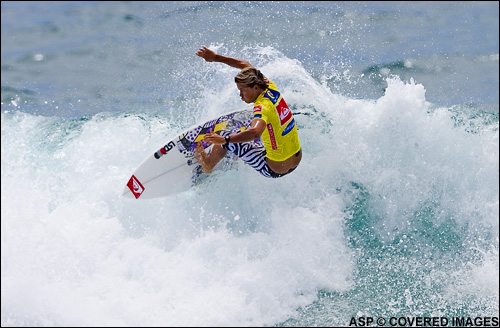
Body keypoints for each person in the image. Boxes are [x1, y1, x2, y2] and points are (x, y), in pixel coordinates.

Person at [194, 46, 301, 178]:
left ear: (255, 87)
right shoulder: (268, 85)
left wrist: (224, 140)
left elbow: (255, 133)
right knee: (252, 126)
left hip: (273, 168)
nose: (240, 95)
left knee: (225, 133)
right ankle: (240, 149)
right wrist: (216, 57)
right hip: (295, 161)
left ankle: (209, 163)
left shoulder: (262, 107)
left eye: (242, 90)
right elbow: (244, 64)